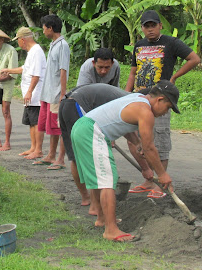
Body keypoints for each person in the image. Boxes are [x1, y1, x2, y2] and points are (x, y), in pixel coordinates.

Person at [71, 80, 180, 242]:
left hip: (82, 126)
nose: (166, 112)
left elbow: (121, 122)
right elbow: (149, 147)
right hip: (91, 130)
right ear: (160, 100)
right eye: (168, 107)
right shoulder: (146, 112)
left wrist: (137, 143)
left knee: (99, 178)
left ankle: (102, 219)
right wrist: (162, 174)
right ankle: (111, 230)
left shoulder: (138, 98)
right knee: (107, 179)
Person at [125, 10, 200, 198]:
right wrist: (125, 94)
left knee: (159, 139)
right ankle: (149, 179)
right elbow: (133, 72)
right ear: (141, 28)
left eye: (153, 25)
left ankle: (160, 183)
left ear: (160, 26)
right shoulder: (139, 46)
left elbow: (194, 59)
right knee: (134, 138)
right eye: (146, 26)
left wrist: (174, 76)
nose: (150, 29)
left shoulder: (171, 43)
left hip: (160, 100)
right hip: (139, 98)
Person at [59, 84, 130, 214]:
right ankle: (95, 205)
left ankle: (87, 198)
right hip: (76, 106)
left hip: (65, 104)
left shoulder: (124, 97)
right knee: (91, 157)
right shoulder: (131, 103)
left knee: (76, 157)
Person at [1, 26, 46, 159]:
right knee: (31, 121)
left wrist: (30, 92)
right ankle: (33, 147)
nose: (19, 44)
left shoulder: (37, 51)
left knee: (36, 121)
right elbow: (25, 69)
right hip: (30, 94)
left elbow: (36, 75)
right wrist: (9, 70)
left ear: (23, 40)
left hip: (36, 94)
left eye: (18, 41)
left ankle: (38, 149)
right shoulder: (31, 52)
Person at [33, 15, 70, 171]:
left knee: (59, 127)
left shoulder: (62, 45)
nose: (43, 31)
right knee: (50, 126)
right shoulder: (53, 45)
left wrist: (62, 94)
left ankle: (60, 159)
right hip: (47, 94)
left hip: (55, 93)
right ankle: (51, 155)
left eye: (44, 28)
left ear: (50, 28)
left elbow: (63, 70)